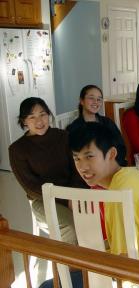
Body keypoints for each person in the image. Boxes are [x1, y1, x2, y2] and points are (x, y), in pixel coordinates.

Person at [68, 122, 139, 288]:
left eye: (89, 156)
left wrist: (81, 261)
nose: (82, 167)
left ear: (111, 154)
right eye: (77, 158)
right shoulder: (129, 176)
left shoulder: (120, 194)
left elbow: (122, 263)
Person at [8, 97, 87, 245]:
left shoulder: (63, 137)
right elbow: (30, 187)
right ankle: (70, 266)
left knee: (97, 218)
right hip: (43, 199)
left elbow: (77, 168)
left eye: (43, 114)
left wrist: (73, 194)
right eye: (32, 117)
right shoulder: (17, 149)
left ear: (49, 115)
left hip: (73, 192)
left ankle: (95, 260)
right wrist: (65, 198)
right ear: (24, 121)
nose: (39, 121)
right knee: (70, 224)